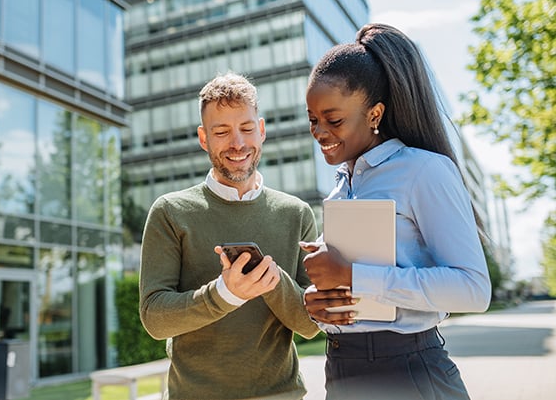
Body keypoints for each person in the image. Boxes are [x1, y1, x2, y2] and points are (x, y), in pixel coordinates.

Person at [299, 23, 492, 400]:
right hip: (341, 371)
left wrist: (354, 276)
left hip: (408, 371)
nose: (320, 132)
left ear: (375, 114)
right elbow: (354, 291)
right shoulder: (341, 187)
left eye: (333, 120)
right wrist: (317, 303)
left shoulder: (424, 171)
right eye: (313, 120)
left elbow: (473, 290)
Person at [139, 72, 320, 400]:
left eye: (247, 129)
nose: (237, 143)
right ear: (204, 138)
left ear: (261, 131)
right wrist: (225, 293)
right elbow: (154, 318)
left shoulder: (297, 213)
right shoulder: (170, 212)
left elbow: (310, 324)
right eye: (221, 132)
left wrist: (272, 281)